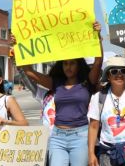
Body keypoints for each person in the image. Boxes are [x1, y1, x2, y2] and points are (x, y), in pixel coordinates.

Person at [17, 21, 103, 166]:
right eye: (65, 63)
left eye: (72, 63)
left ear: (79, 65)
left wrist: (98, 37)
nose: (68, 67)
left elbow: (98, 61)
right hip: (57, 137)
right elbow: (29, 72)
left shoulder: (87, 82)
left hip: (80, 136)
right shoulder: (55, 83)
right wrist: (18, 44)